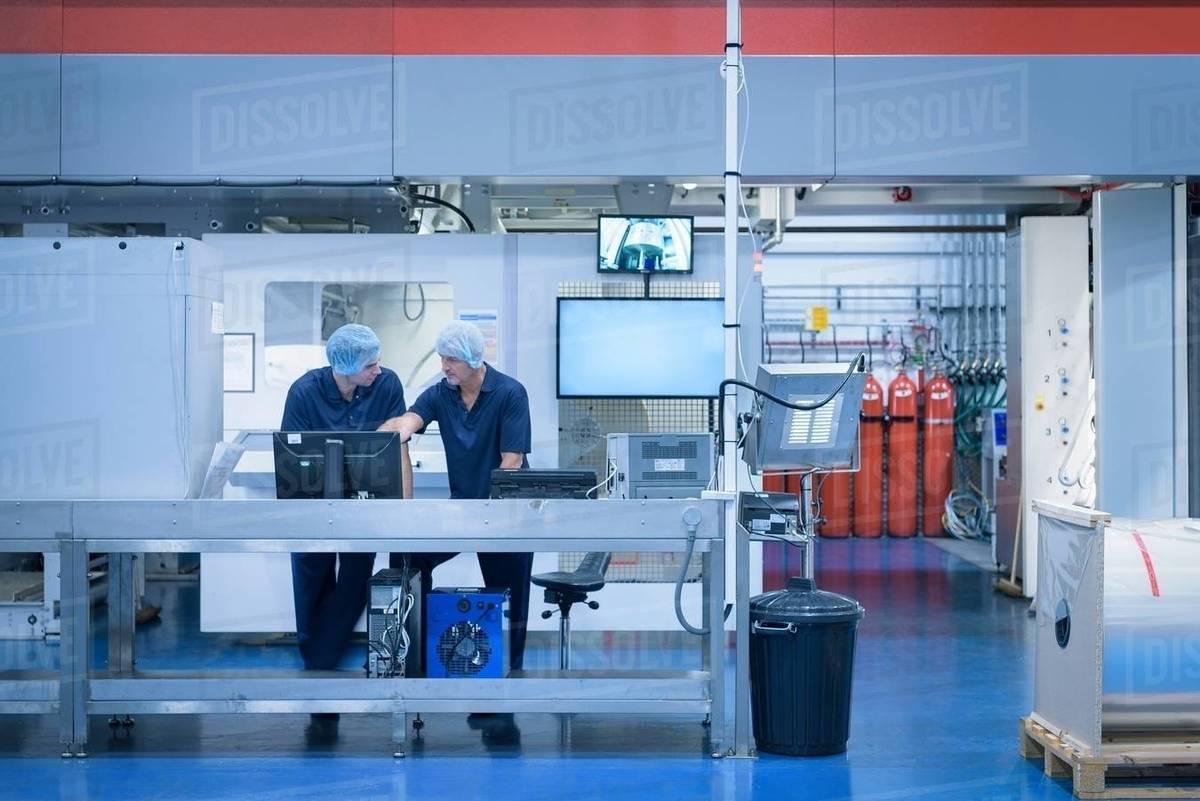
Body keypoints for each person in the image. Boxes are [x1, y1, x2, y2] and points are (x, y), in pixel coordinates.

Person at [379, 321, 533, 673]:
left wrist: (489, 515)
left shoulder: (510, 393)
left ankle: (510, 672)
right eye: (442, 358)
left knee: (510, 596)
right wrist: (399, 429)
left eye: (450, 360)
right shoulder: (441, 393)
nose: (444, 366)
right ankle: (411, 654)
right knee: (410, 558)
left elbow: (512, 461)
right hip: (462, 507)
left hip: (504, 512)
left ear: (473, 360)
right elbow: (413, 418)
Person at [281, 323, 413, 679]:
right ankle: (317, 669)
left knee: (355, 581)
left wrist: (404, 509)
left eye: (378, 362)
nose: (378, 370)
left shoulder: (387, 386)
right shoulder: (304, 393)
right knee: (312, 583)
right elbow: (292, 455)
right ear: (345, 367)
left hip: (364, 508)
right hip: (310, 507)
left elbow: (398, 444)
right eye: (370, 365)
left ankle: (322, 663)